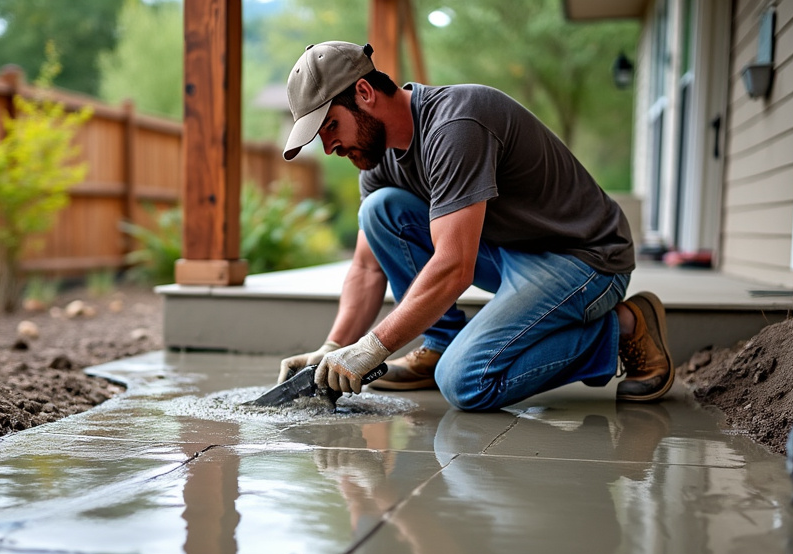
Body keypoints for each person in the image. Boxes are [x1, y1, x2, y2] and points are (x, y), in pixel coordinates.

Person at [277, 41, 674, 411]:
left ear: (364, 93)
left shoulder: (457, 124)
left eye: (330, 126)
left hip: (583, 259)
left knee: (466, 381)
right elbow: (366, 267)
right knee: (381, 210)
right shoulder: (378, 158)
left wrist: (373, 347)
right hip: (510, 252)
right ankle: (441, 341)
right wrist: (333, 347)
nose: (329, 148)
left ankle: (623, 327)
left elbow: (454, 266)